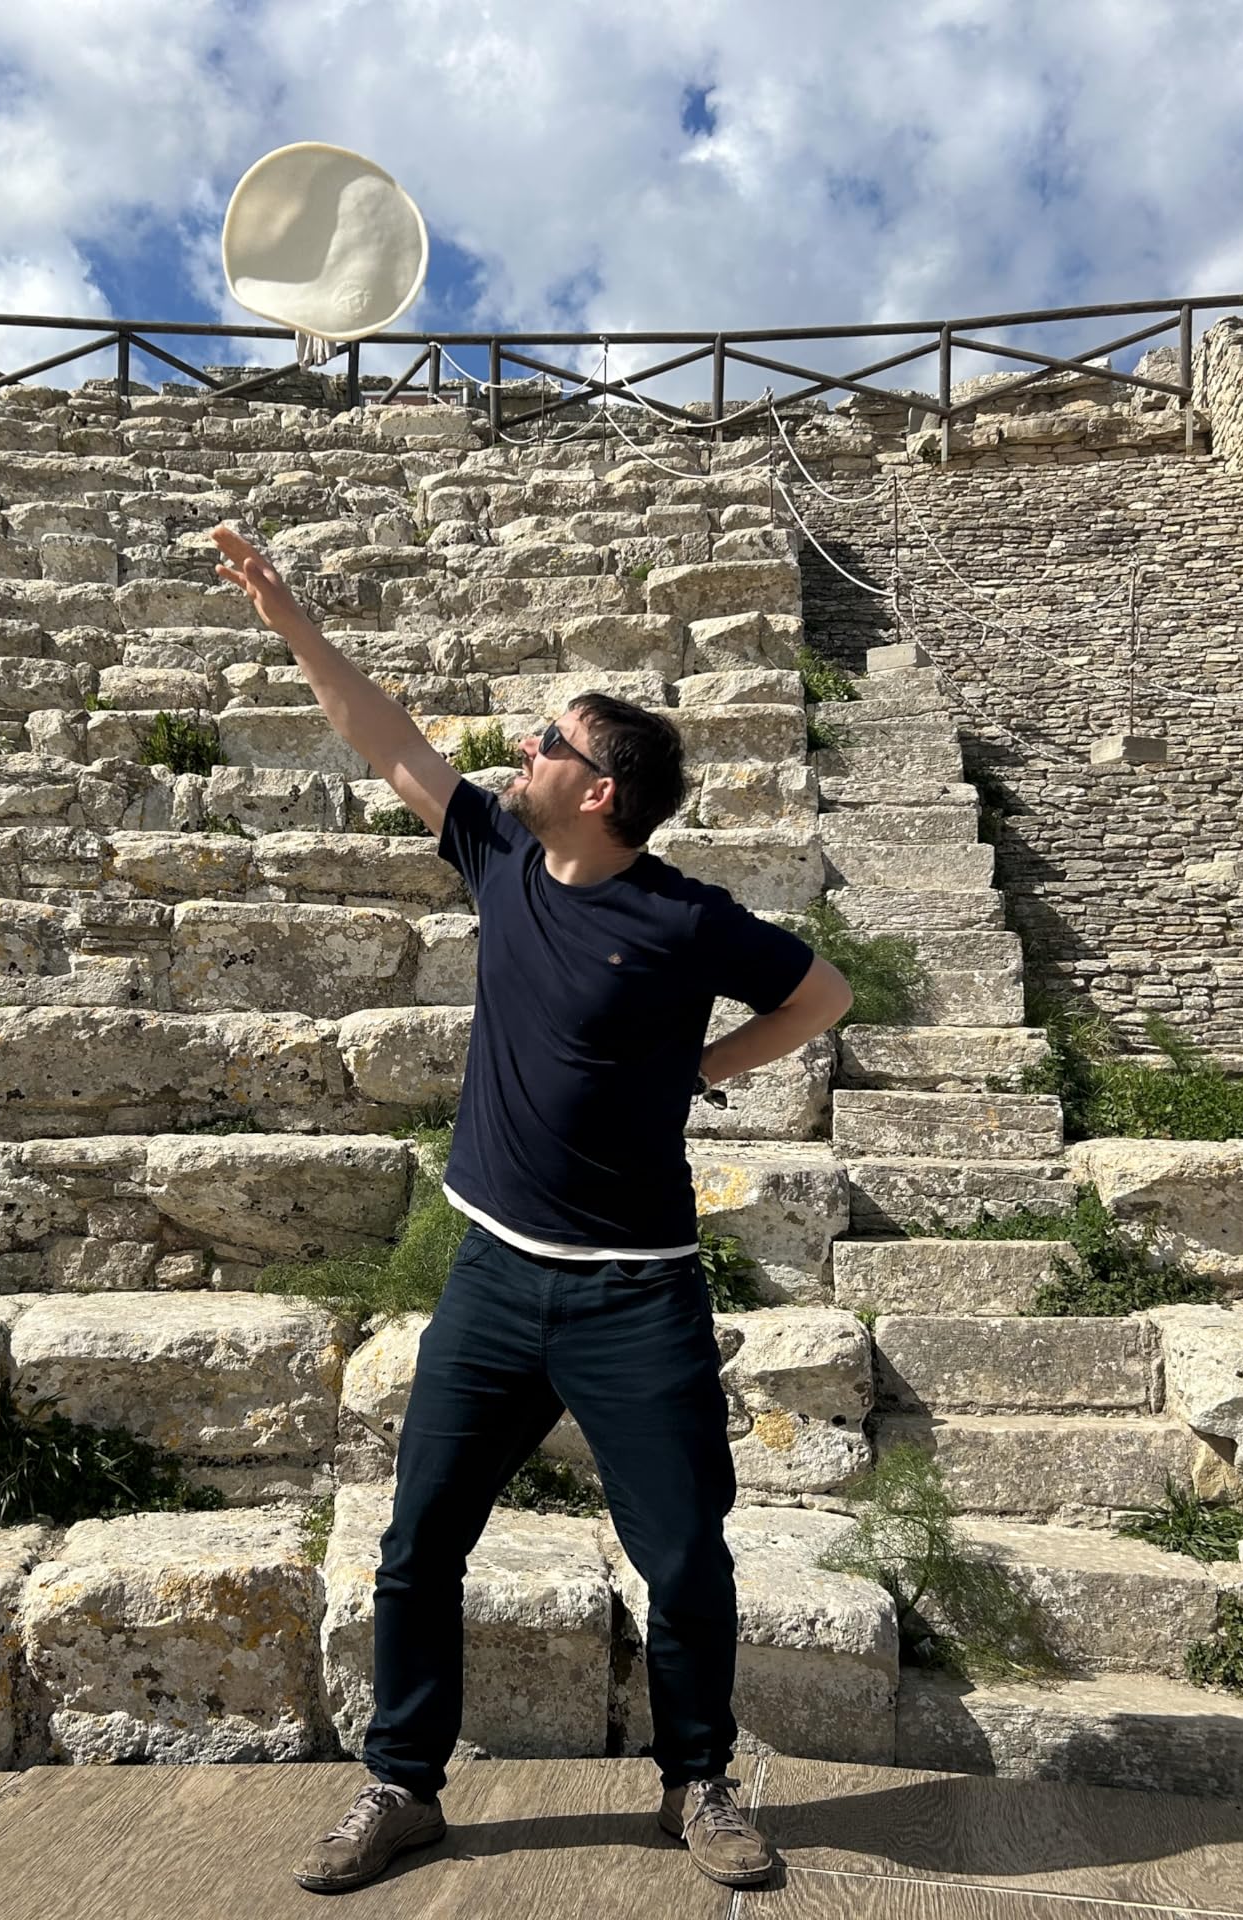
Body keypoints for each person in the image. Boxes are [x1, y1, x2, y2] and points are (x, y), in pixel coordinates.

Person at [208, 525, 853, 1896]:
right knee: (417, 1544)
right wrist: (292, 618)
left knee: (685, 1560)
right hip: (495, 1278)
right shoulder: (498, 850)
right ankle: (402, 1785)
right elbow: (384, 737)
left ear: (599, 789)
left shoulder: (687, 921)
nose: (523, 747)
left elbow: (823, 994)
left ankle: (696, 1783)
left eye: (549, 741)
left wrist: (705, 1069)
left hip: (638, 1292)